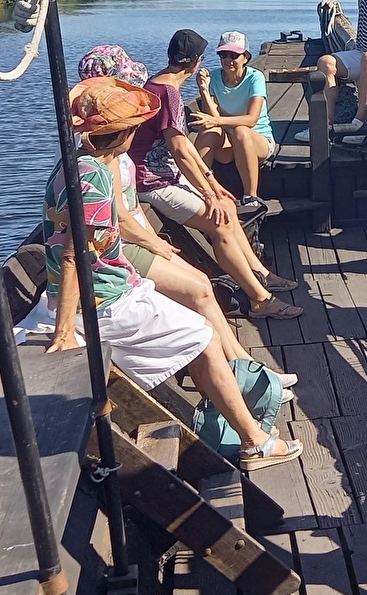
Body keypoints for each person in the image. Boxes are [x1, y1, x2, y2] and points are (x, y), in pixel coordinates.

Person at [34, 75, 301, 470]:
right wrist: (63, 334)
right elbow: (74, 257)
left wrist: (149, 245)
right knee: (203, 336)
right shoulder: (91, 178)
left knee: (200, 324)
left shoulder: (85, 164)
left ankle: (235, 411)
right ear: (125, 133)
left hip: (112, 287)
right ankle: (254, 441)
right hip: (102, 303)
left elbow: (106, 228)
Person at [74, 45, 297, 393]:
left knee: (203, 282)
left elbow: (128, 207)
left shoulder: (111, 150)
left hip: (127, 238)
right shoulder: (101, 159)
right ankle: (249, 366)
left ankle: (248, 364)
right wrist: (157, 243)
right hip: (114, 252)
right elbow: (119, 218)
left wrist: (209, 185)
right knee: (200, 287)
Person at [128, 29, 302, 320]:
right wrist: (208, 193)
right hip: (153, 181)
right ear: (197, 61)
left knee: (228, 208)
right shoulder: (169, 94)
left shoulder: (156, 84)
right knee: (219, 223)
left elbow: (184, 146)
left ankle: (261, 274)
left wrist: (211, 182)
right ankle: (260, 301)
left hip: (164, 174)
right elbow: (180, 150)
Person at [191, 31, 274, 208]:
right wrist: (203, 90)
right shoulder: (213, 77)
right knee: (209, 133)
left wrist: (216, 122)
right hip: (228, 144)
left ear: (246, 57)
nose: (228, 59)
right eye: (223, 55)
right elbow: (212, 118)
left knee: (241, 131)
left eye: (234, 55)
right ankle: (198, 190)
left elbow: (251, 120)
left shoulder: (255, 78)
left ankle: (251, 197)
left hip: (258, 141)